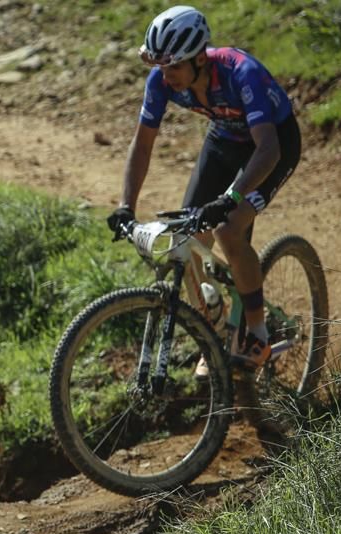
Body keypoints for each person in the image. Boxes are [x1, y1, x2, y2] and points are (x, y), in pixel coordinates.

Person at [108, 5, 301, 370]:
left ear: (200, 59)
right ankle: (213, 330)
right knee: (186, 234)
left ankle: (257, 333)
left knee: (229, 229)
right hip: (224, 139)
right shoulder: (162, 80)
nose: (166, 77)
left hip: (272, 144)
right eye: (161, 67)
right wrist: (125, 205)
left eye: (174, 67)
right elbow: (143, 144)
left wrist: (231, 198)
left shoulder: (241, 72)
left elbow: (269, 149)